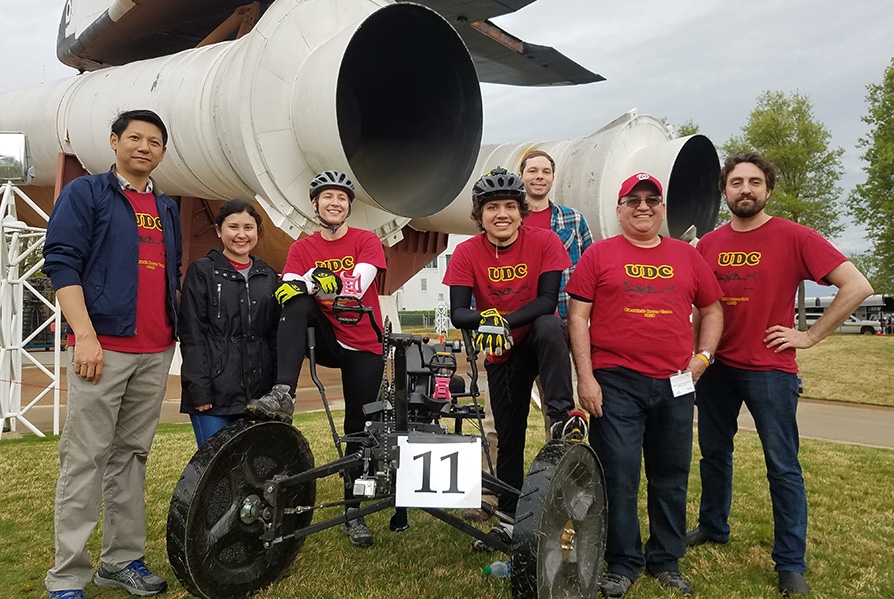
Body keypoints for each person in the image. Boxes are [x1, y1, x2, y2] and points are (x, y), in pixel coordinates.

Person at [688, 152, 873, 596]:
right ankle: (713, 526)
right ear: (724, 191)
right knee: (714, 454)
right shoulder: (708, 245)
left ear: (767, 190)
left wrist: (808, 337)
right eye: (736, 182)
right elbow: (699, 306)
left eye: (754, 182)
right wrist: (695, 355)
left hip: (770, 369)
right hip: (716, 367)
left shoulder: (796, 237)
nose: (745, 189)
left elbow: (858, 287)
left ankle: (790, 562)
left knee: (782, 466)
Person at [42, 109, 181, 598]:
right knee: (85, 459)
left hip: (156, 350)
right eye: (135, 138)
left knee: (131, 458)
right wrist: (85, 334)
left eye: (155, 141)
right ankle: (67, 577)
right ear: (114, 142)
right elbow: (61, 262)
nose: (144, 147)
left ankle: (121, 561)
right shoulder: (87, 193)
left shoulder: (166, 207)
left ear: (163, 151)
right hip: (102, 349)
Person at [566, 172, 723, 598]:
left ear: (662, 208)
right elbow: (577, 318)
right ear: (619, 210)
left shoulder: (688, 257)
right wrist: (586, 376)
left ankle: (666, 560)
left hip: (675, 382)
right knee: (618, 474)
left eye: (652, 199)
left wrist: (703, 358)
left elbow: (712, 310)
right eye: (632, 199)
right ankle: (623, 561)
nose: (643, 206)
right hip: (616, 381)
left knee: (671, 474)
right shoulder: (598, 255)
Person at [442, 167, 586, 545]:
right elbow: (458, 311)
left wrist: (499, 320)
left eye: (509, 206)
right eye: (492, 207)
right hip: (502, 354)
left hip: (538, 338)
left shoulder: (545, 241)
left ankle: (560, 417)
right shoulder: (466, 251)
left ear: (522, 211)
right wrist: (485, 320)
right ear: (480, 214)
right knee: (509, 440)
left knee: (550, 325)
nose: (501, 214)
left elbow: (545, 300)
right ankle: (508, 519)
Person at [246, 170, 386, 548]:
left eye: (341, 198)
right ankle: (283, 391)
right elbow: (288, 290)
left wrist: (319, 280)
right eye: (327, 197)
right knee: (297, 302)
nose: (334, 203)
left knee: (358, 425)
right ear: (315, 204)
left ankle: (353, 512)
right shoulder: (302, 247)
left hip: (365, 343)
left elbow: (358, 284)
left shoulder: (367, 240)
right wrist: (310, 282)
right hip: (326, 337)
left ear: (348, 206)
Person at [179, 199, 279, 447]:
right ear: (218, 230)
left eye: (248, 227)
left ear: (258, 232)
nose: (241, 235)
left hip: (259, 394)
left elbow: (275, 335)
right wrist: (199, 389)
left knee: (256, 467)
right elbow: (193, 334)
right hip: (214, 393)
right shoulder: (202, 271)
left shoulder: (268, 276)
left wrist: (278, 389)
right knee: (217, 469)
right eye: (233, 227)